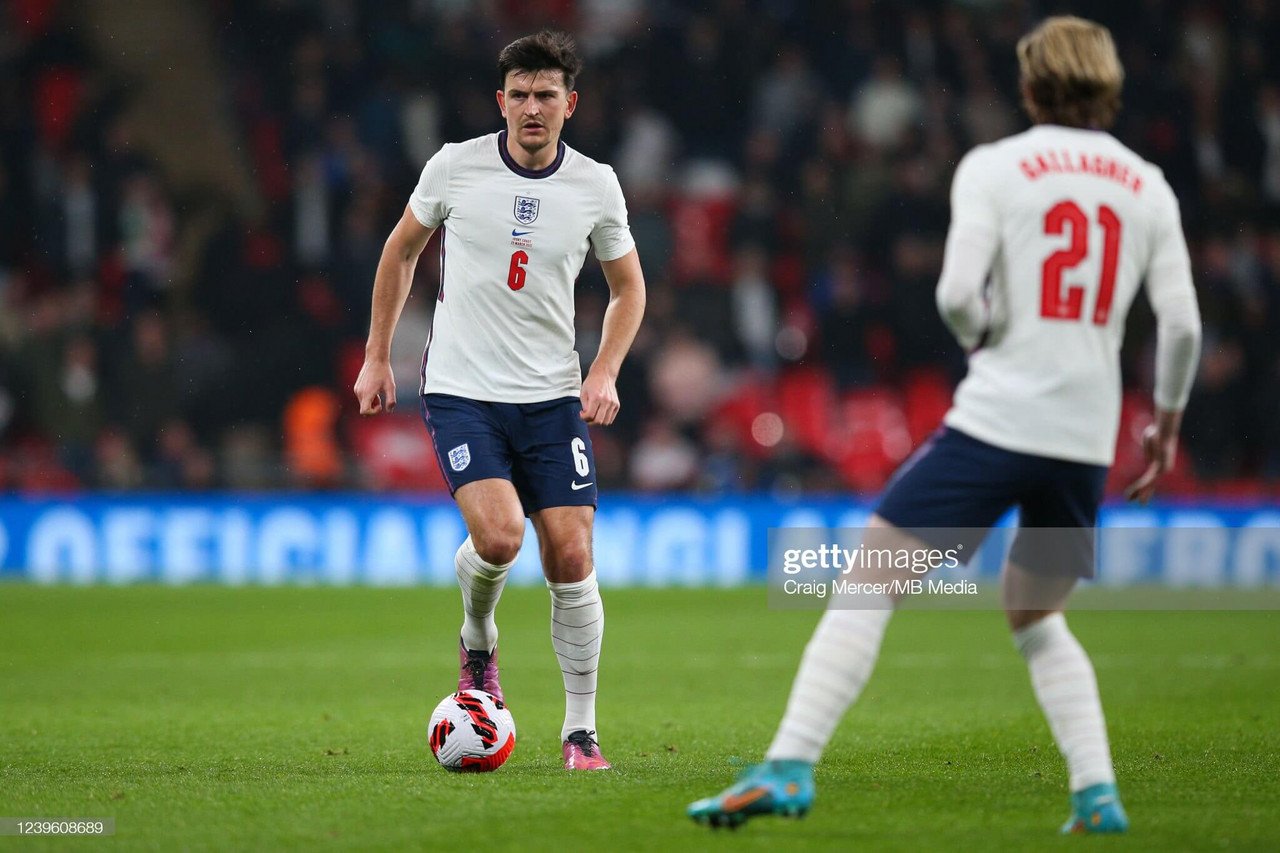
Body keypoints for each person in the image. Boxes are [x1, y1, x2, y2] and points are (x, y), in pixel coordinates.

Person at [689, 16, 1201, 832]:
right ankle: (1097, 792)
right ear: (1110, 86)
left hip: (1000, 418)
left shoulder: (997, 167)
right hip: (1082, 439)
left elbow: (958, 294)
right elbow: (1181, 326)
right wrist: (1165, 425)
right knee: (1036, 613)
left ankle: (787, 765)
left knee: (866, 581)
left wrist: (985, 339)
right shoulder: (1147, 183)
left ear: (1030, 86)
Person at [353, 30, 646, 771]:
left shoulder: (595, 184)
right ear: (500, 102)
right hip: (462, 390)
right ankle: (477, 642)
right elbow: (400, 250)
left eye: (546, 94)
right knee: (500, 538)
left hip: (550, 395)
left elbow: (629, 287)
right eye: (518, 94)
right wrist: (377, 356)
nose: (531, 107)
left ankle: (580, 731)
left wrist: (605, 370)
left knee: (572, 553)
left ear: (570, 104)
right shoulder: (455, 166)